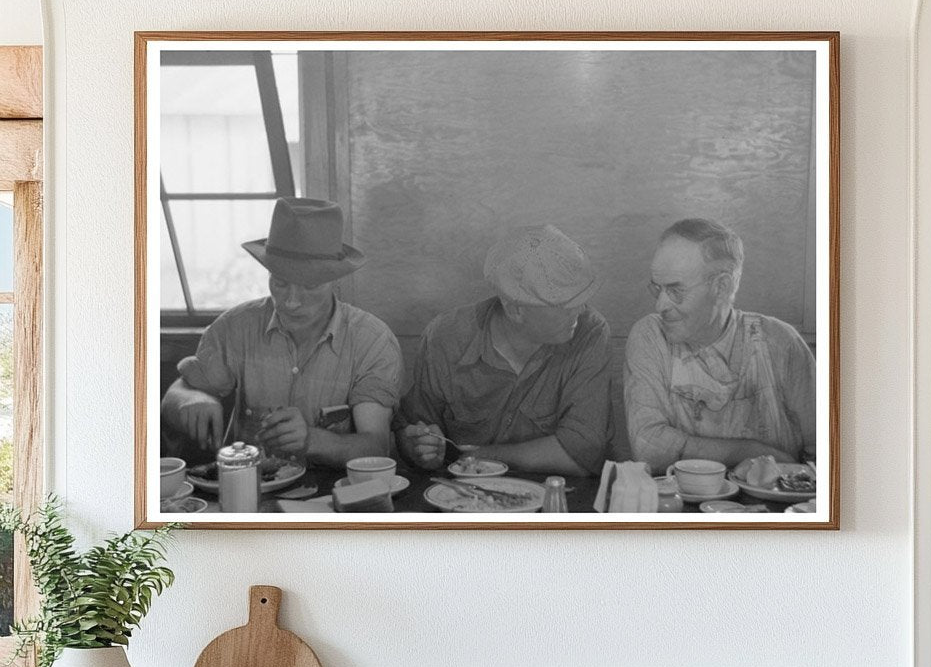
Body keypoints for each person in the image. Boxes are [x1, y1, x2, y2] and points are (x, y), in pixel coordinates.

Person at [161, 197, 401, 468]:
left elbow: (378, 447)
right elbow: (175, 395)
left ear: (335, 280)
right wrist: (190, 399)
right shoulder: (236, 326)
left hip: (333, 497)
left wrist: (312, 440)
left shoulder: (372, 341)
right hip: (247, 490)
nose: (291, 301)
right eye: (280, 282)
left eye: (310, 286)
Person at [397, 224, 612, 477]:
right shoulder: (446, 337)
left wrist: (480, 456)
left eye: (581, 297)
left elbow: (583, 455)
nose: (580, 310)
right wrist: (420, 448)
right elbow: (411, 431)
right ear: (515, 310)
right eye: (565, 304)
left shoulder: (590, 332)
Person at [624, 218, 816, 474]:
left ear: (722, 287)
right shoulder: (651, 336)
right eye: (657, 289)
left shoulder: (781, 343)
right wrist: (752, 452)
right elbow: (649, 447)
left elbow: (826, 453)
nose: (660, 305)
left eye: (675, 290)